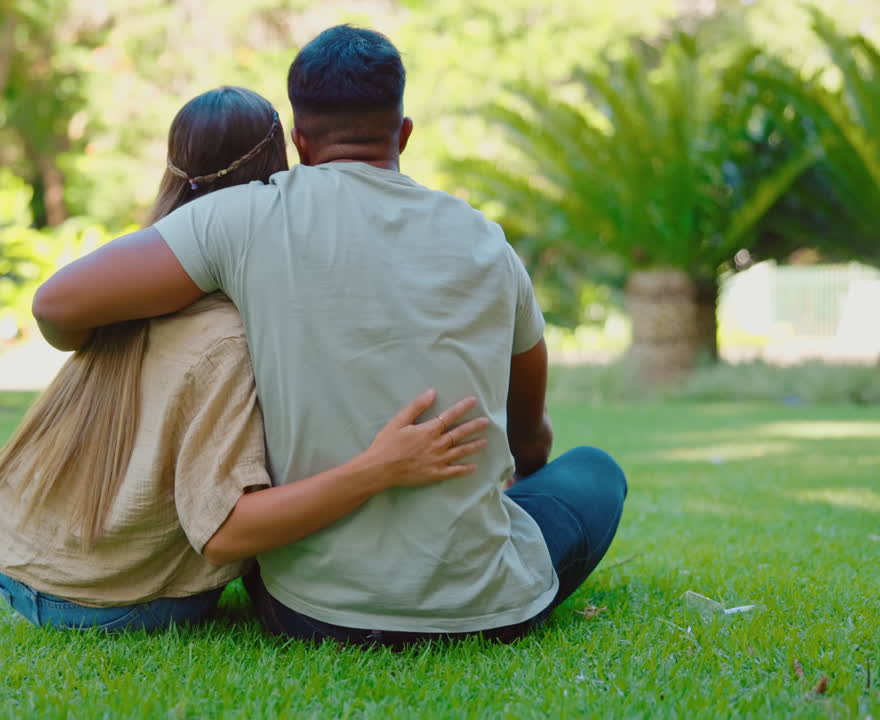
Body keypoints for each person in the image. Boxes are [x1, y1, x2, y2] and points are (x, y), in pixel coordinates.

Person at [31, 26, 628, 645]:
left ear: (301, 141)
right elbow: (533, 434)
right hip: (490, 605)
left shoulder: (242, 218)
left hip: (310, 613)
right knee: (594, 472)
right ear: (404, 133)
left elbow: (56, 305)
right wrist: (514, 477)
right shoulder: (487, 243)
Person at [0, 86, 491, 633]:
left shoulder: (126, 285)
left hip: (8, 556)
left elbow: (55, 311)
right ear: (281, 164)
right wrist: (378, 468)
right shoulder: (228, 336)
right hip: (106, 601)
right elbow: (227, 535)